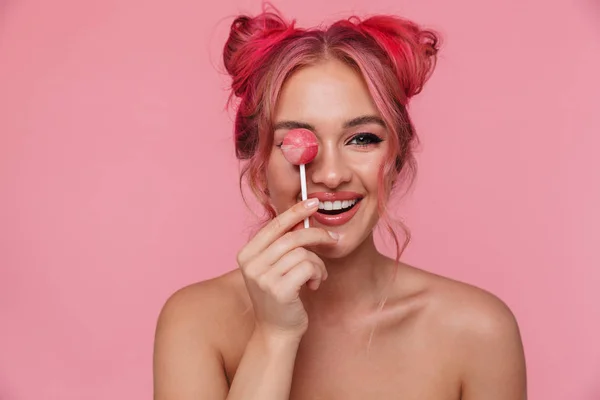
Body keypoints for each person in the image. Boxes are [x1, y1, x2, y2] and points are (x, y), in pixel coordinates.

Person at [153, 7, 527, 400]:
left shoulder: (479, 330)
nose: (331, 175)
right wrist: (275, 336)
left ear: (396, 161)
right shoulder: (194, 323)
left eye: (362, 139)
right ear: (261, 171)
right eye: (296, 142)